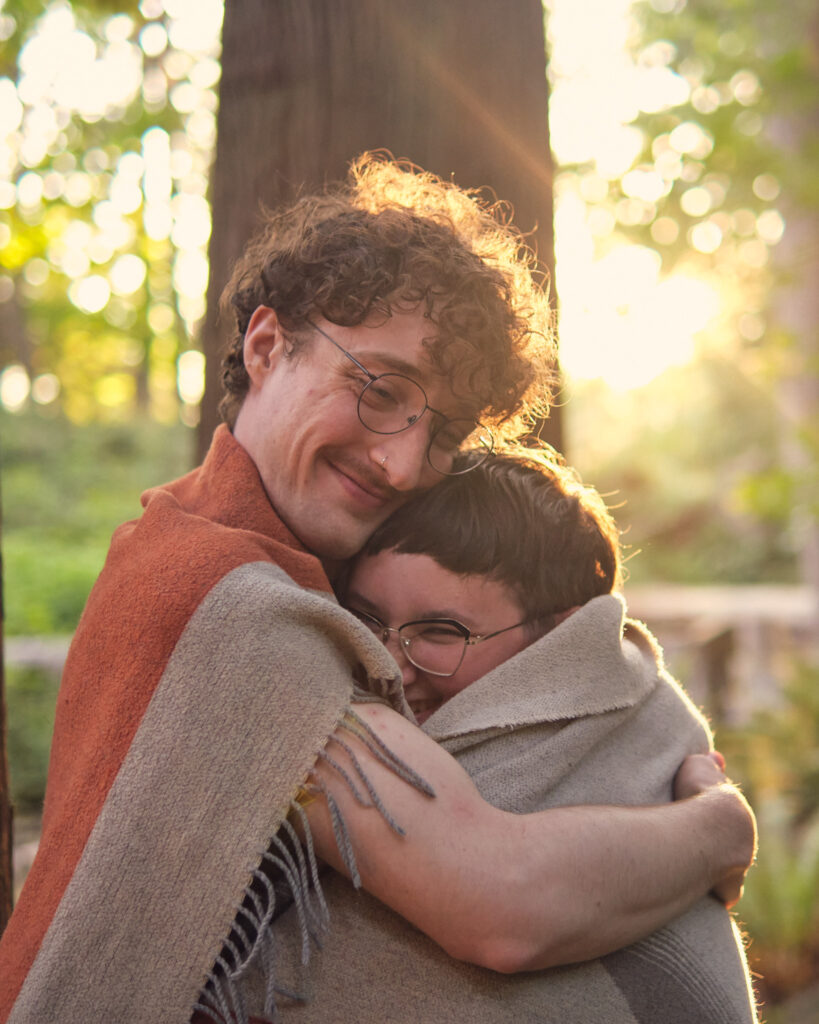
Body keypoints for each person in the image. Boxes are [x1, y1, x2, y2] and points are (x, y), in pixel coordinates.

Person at [0, 155, 755, 1024]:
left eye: (442, 430)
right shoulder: (233, 606)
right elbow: (496, 900)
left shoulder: (195, 543)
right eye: (381, 390)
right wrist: (718, 829)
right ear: (265, 345)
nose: (403, 463)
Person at [265, 447, 756, 1021]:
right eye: (367, 618)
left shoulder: (633, 730)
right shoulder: (318, 699)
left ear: (567, 643)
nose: (387, 665)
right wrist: (722, 825)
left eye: (441, 631)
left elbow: (500, 907)